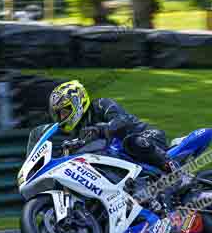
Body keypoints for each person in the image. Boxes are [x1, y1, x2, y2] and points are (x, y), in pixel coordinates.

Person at [47, 80, 188, 190]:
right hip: (122, 159)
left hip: (146, 136)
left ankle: (177, 171)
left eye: (64, 112)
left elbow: (122, 119)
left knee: (132, 142)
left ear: (77, 103)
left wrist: (103, 129)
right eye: (58, 114)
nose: (61, 117)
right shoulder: (78, 131)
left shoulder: (101, 104)